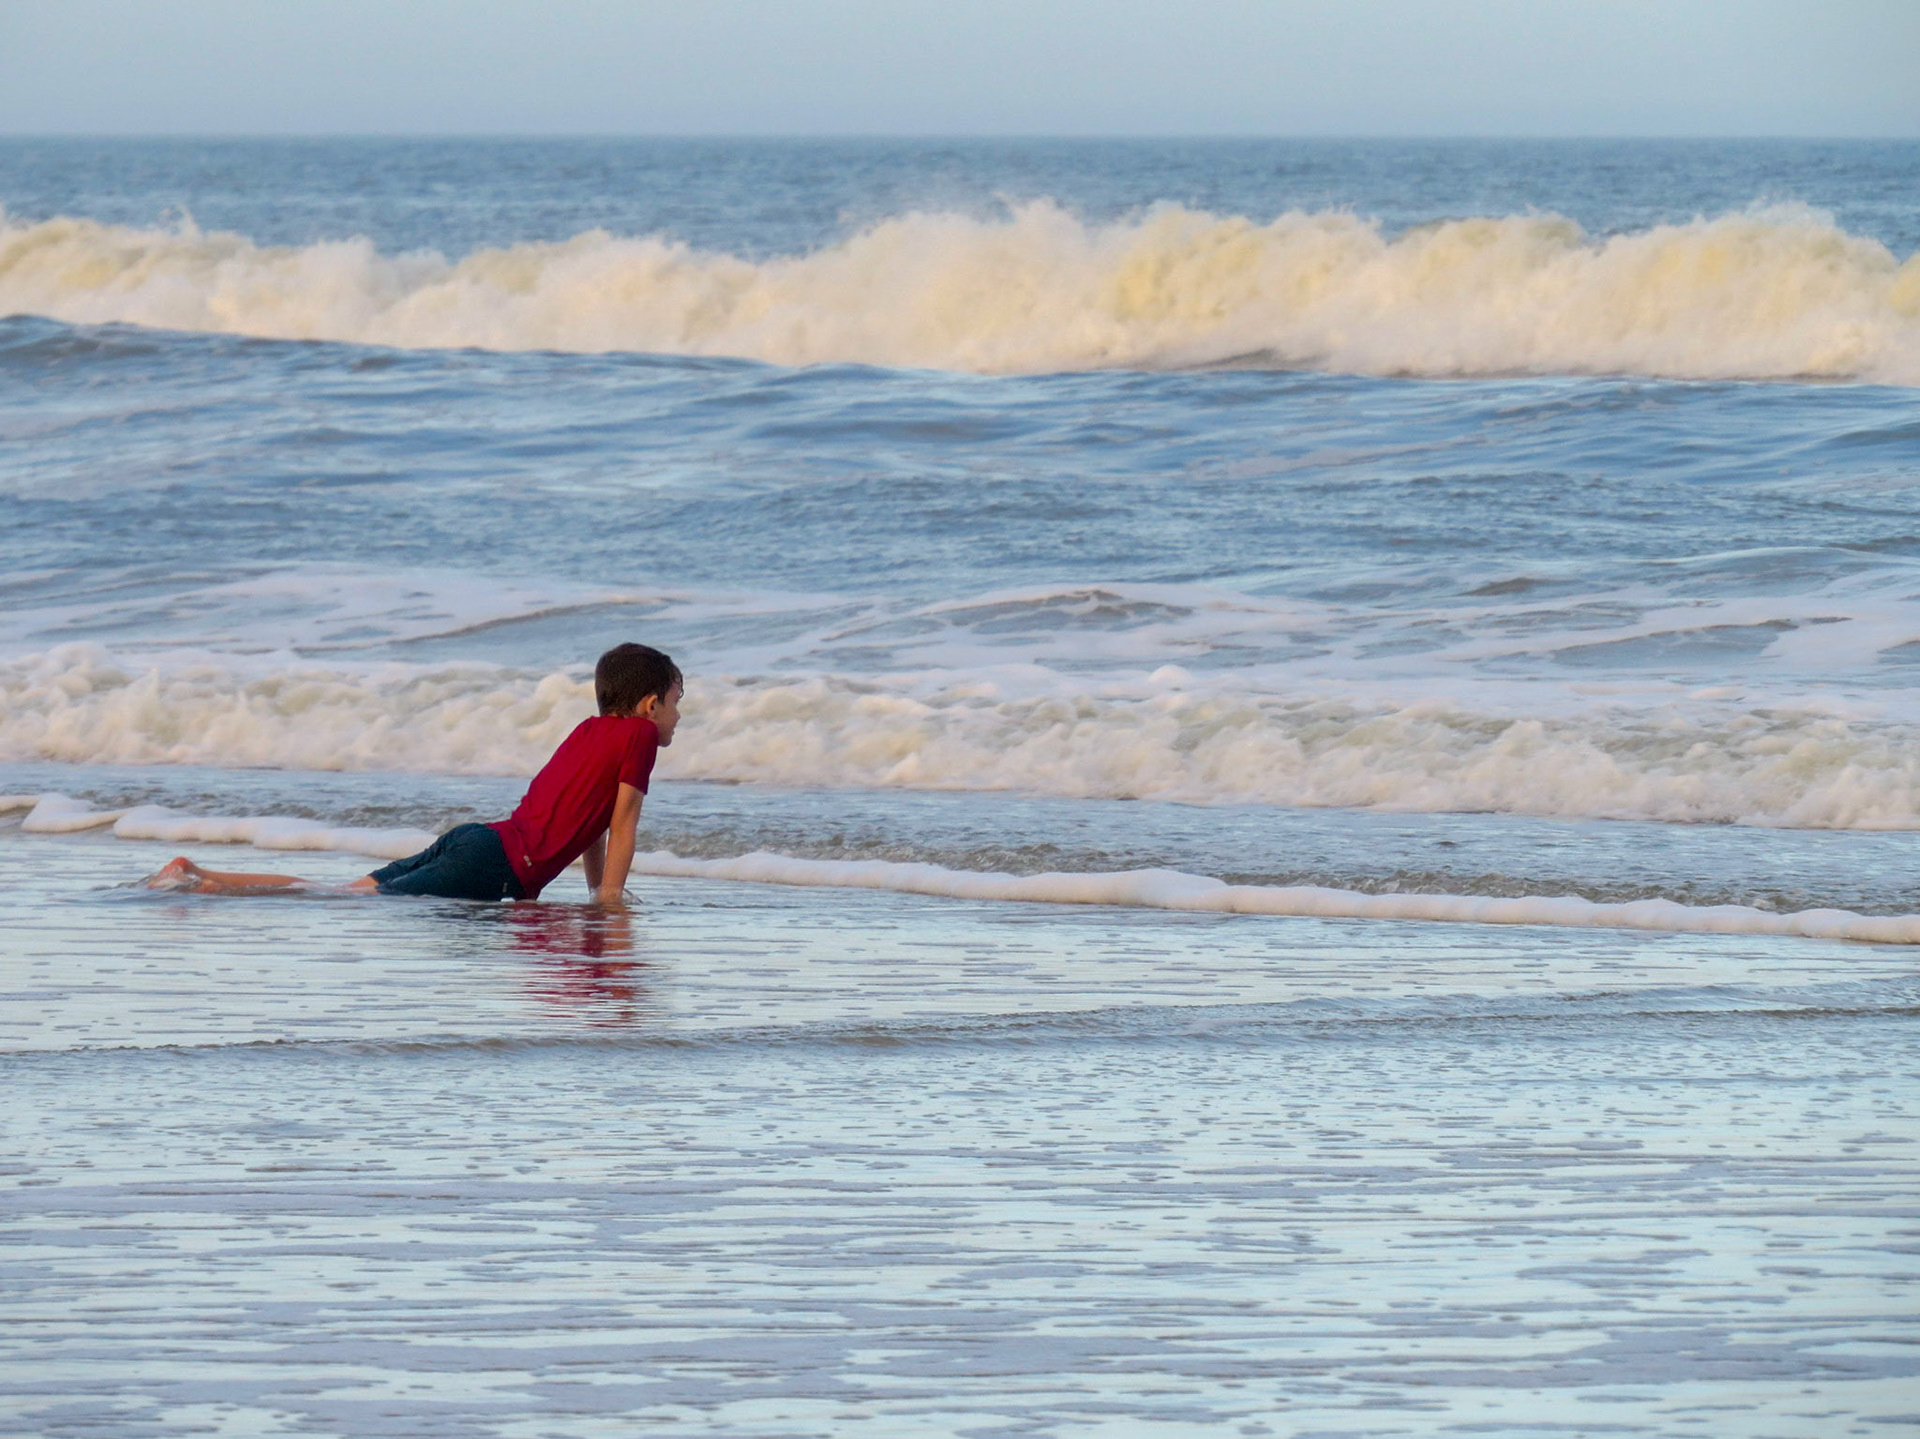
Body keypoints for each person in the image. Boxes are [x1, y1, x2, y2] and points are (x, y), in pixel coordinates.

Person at [147, 643, 682, 906]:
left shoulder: (591, 731)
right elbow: (625, 820)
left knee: (346, 890)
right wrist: (610, 903)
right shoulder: (638, 737)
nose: (679, 716)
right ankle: (208, 887)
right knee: (348, 900)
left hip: (480, 840)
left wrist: (595, 893)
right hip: (498, 861)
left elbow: (594, 826)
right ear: (650, 704)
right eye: (678, 703)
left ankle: (198, 874)